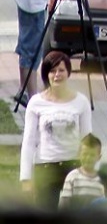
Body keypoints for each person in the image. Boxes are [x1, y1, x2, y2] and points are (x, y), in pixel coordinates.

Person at [20, 51, 92, 207]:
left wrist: (90, 172)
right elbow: (29, 142)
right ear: (47, 75)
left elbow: (87, 140)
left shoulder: (81, 102)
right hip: (45, 167)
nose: (57, 75)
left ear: (68, 73)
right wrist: (26, 179)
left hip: (73, 167)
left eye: (61, 70)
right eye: (52, 71)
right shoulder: (36, 103)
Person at [58, 134, 104, 209]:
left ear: (99, 157)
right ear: (79, 155)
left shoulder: (102, 179)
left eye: (92, 155)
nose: (88, 158)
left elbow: (104, 204)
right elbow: (64, 203)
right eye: (85, 154)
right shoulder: (72, 176)